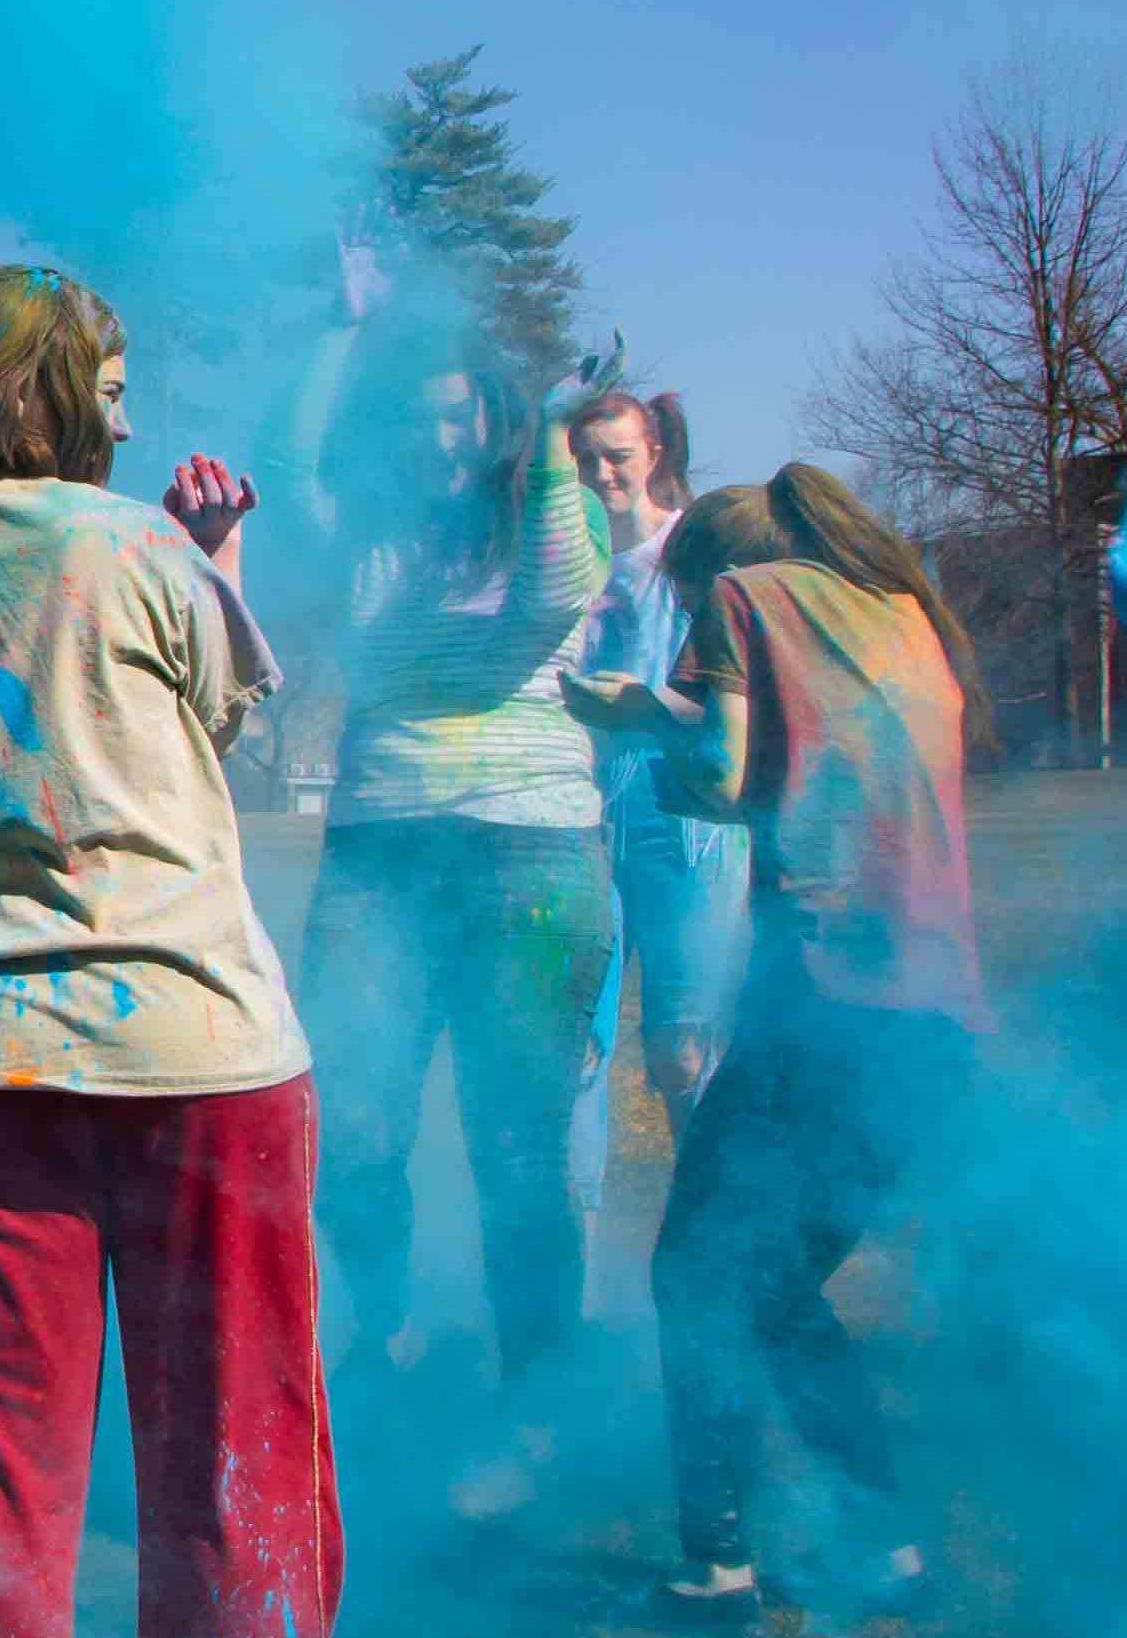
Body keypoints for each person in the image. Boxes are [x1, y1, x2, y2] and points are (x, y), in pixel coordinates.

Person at [0, 264, 323, 1638]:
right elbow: (223, 737)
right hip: (195, 1048)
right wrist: (212, 560)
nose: (128, 430)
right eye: (111, 392)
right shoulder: (134, 551)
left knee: (10, 1469)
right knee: (230, 1451)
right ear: (48, 388)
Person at [617, 468, 981, 1615]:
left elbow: (719, 777)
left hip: (822, 1004)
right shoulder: (897, 612)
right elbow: (798, 770)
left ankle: (716, 1562)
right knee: (771, 1287)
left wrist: (635, 726)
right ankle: (884, 1545)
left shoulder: (740, 598)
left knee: (696, 1274)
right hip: (933, 1021)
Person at [282, 243, 614, 1407]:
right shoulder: (371, 534)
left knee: (517, 1149)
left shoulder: (547, 514)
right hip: (378, 853)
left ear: (496, 416)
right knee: (352, 1131)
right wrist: (338, 328)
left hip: (529, 853)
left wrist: (560, 446)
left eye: (461, 415)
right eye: (419, 418)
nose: (439, 440)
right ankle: (386, 1335)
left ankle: (537, 1397)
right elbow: (291, 463)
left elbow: (557, 597)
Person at [557, 390, 742, 1226]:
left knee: (683, 1049)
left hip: (686, 825)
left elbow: (741, 707)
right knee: (577, 1047)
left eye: (618, 456)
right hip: (581, 823)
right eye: (586, 458)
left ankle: (712, 1253)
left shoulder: (697, 555)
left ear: (656, 451)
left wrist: (649, 709)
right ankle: (574, 1282)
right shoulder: (568, 565)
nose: (602, 475)